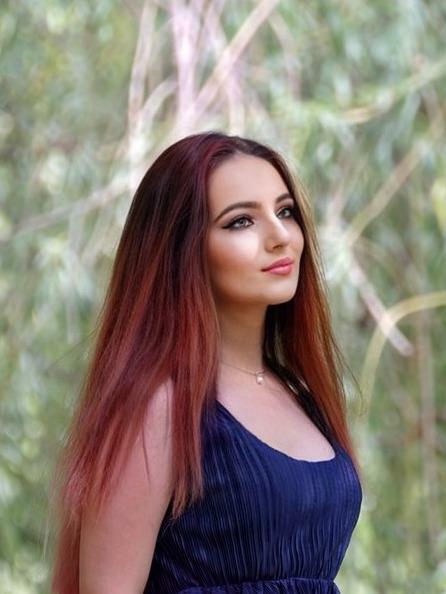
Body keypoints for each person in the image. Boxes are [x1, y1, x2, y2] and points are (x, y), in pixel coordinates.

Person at [48, 131, 363, 594]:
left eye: (285, 211)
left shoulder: (302, 396)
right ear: (182, 248)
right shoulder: (158, 407)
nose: (280, 237)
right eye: (241, 221)